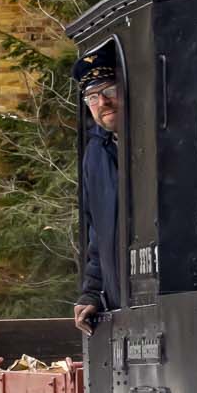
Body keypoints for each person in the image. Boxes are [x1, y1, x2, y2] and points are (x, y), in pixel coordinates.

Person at [73, 69, 124, 334]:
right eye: (93, 97)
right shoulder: (94, 154)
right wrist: (92, 293)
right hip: (120, 306)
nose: (102, 102)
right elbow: (97, 233)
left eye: (110, 92)